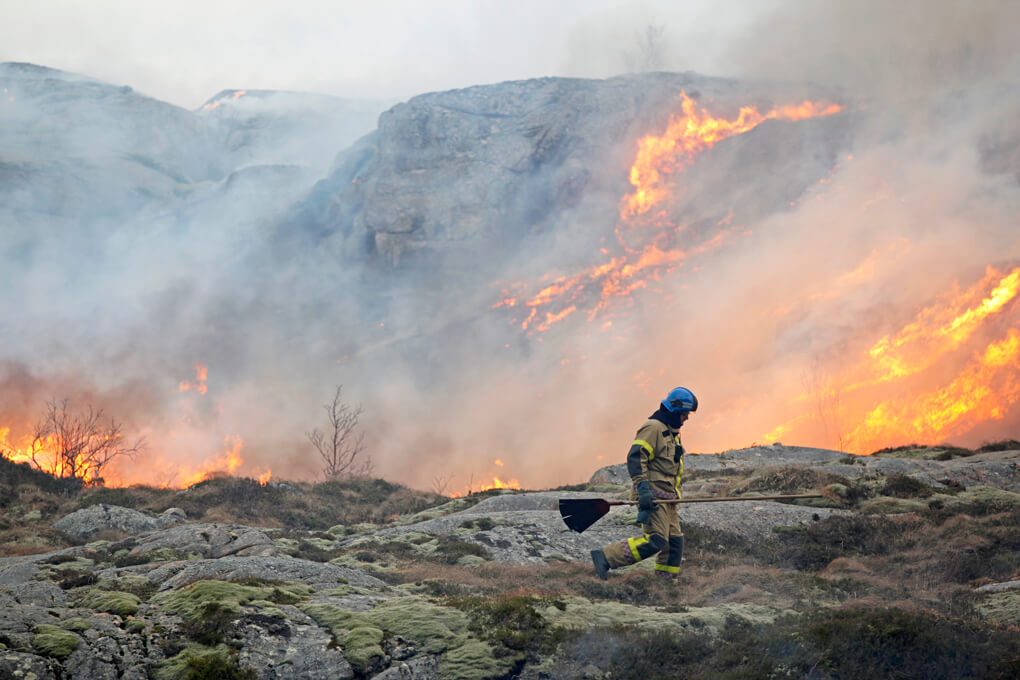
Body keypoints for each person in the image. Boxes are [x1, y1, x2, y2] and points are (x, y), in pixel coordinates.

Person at [591, 386, 697, 581]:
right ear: (674, 411)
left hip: (669, 499)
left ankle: (664, 583)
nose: (686, 419)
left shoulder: (671, 432)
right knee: (656, 540)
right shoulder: (653, 428)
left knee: (674, 543)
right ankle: (605, 557)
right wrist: (643, 489)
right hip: (653, 496)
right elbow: (635, 457)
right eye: (684, 414)